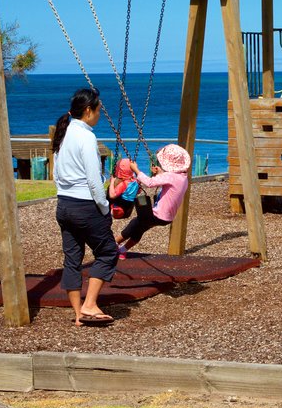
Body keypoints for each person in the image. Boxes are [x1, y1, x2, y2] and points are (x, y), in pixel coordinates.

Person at [52, 88, 117, 327]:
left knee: (72, 258)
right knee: (108, 252)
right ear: (88, 111)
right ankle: (90, 304)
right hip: (85, 205)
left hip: (64, 204)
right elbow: (94, 179)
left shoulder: (64, 133)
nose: (100, 115)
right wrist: (104, 208)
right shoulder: (87, 137)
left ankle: (79, 314)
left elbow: (55, 174)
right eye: (99, 110)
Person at [115, 144, 191, 258]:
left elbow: (149, 183)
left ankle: (112, 244)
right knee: (140, 229)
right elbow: (170, 181)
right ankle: (122, 251)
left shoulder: (170, 176)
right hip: (167, 218)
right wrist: (160, 173)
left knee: (135, 224)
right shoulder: (183, 178)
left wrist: (136, 169)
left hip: (157, 215)